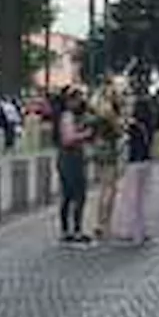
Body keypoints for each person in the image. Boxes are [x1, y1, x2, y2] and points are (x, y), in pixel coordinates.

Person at [119, 85, 159, 246]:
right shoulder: (149, 124)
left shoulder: (133, 125)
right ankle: (143, 231)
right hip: (147, 162)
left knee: (132, 199)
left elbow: (124, 141)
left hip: (134, 164)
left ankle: (134, 233)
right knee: (143, 200)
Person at [89, 81, 125, 242]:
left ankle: (99, 222)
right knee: (110, 188)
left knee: (103, 188)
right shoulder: (109, 110)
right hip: (109, 148)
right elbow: (118, 129)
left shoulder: (97, 107)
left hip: (98, 146)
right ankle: (105, 225)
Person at [56, 88, 92, 243]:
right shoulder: (68, 116)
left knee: (70, 195)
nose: (80, 102)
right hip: (70, 158)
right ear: (70, 101)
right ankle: (74, 230)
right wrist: (85, 134)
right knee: (76, 195)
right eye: (77, 99)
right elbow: (68, 139)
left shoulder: (71, 116)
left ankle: (68, 230)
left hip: (71, 157)